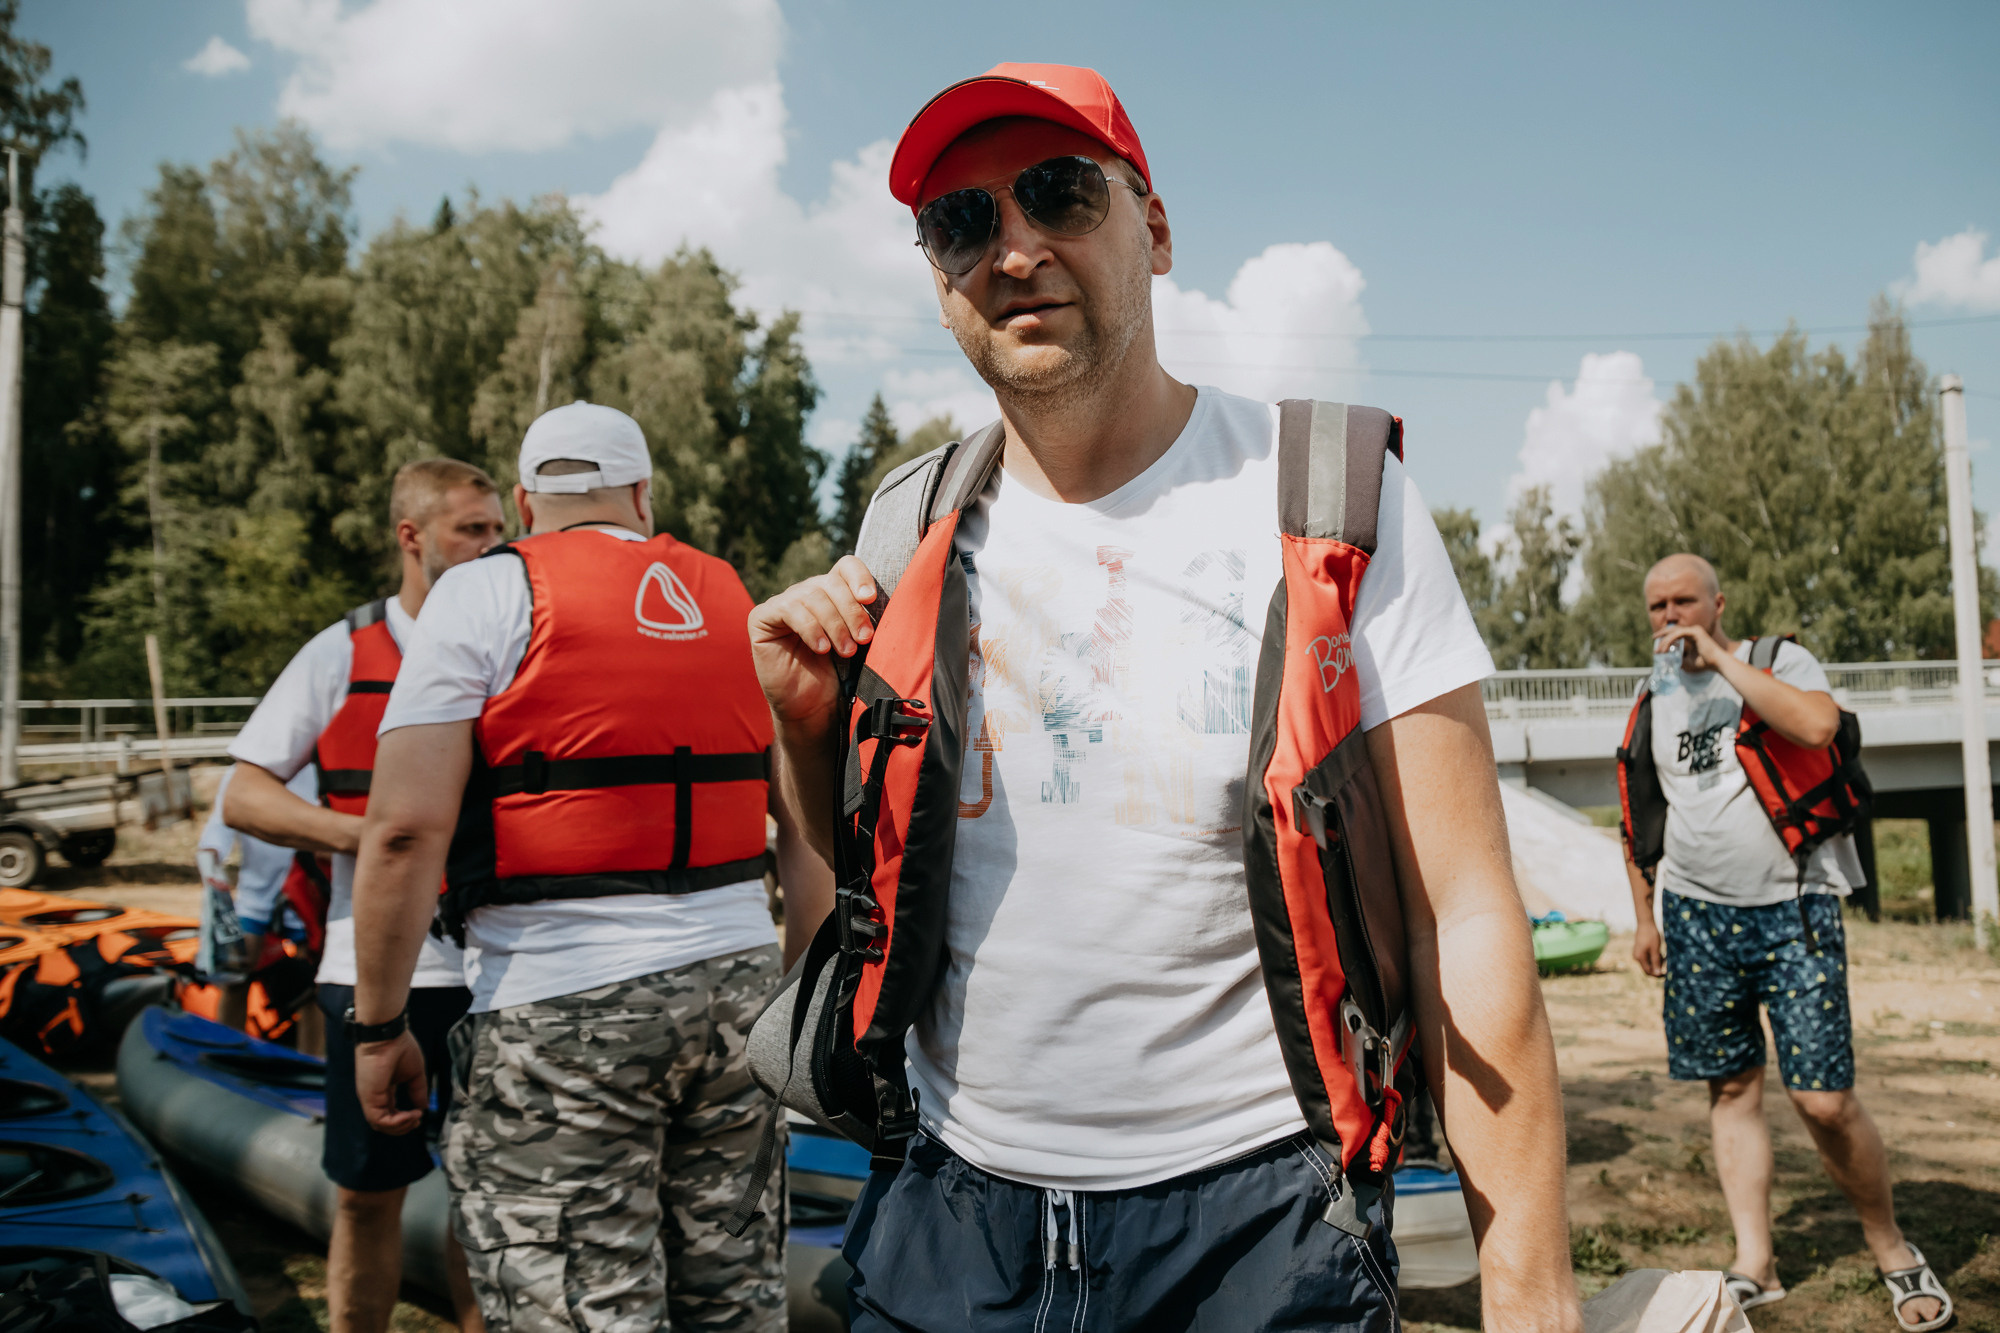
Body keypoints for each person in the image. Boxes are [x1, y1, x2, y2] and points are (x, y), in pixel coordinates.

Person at [751, 63, 1581, 1330]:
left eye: (1057, 193)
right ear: (937, 277)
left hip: (1256, 1230)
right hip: (951, 1221)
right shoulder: (904, 523)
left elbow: (1462, 912)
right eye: (963, 222)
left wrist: (1528, 1287)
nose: (1013, 247)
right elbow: (861, 857)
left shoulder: (1331, 501)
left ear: (1155, 228)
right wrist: (804, 728)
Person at [347, 401, 833, 1333]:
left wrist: (378, 1027)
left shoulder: (481, 593)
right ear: (643, 492)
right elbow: (802, 828)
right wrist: (791, 997)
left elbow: (404, 832)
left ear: (526, 501)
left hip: (557, 1003)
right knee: (735, 1298)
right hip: (737, 996)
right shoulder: (731, 594)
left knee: (580, 1306)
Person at [1624, 553, 1951, 1331]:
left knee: (1825, 1099)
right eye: (1658, 606)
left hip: (1793, 908)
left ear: (1718, 603)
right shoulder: (1650, 693)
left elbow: (1815, 723)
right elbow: (1641, 809)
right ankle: (1755, 1263)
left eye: (1686, 602)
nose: (1672, 618)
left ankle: (1892, 1245)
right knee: (1731, 1088)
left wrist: (1722, 660)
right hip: (1698, 916)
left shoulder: (1777, 658)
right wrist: (1644, 915)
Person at [224, 458, 506, 1333]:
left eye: (500, 529)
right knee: (366, 1197)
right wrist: (380, 842)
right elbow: (243, 793)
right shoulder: (343, 650)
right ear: (412, 537)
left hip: (499, 971)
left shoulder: (516, 638)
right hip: (375, 973)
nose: (495, 547)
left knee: (488, 1205)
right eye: (473, 530)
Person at [196, 763, 317, 1028]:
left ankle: (311, 1063)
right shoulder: (243, 774)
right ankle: (228, 1055)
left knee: (313, 986)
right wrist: (211, 859)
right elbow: (218, 828)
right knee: (237, 975)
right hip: (257, 895)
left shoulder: (318, 771)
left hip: (305, 895)